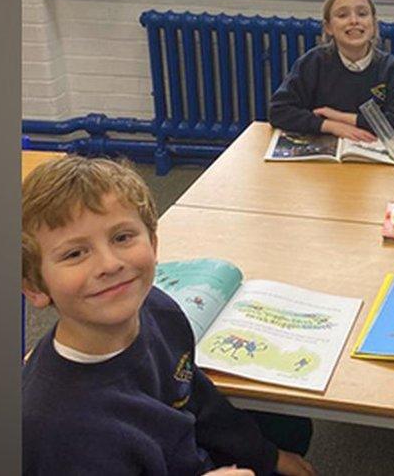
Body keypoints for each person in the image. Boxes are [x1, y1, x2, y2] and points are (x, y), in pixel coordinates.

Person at [22, 156, 316, 476]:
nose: (110, 264)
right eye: (75, 253)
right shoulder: (56, 427)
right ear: (35, 287)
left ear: (153, 243)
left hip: (183, 451)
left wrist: (265, 456)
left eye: (122, 237)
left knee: (291, 427)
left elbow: (195, 395)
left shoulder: (158, 310)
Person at [268, 0, 394, 142]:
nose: (354, 21)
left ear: (373, 23)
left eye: (362, 14)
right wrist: (330, 125)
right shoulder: (312, 63)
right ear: (328, 27)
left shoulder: (393, 69)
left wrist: (340, 117)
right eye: (342, 15)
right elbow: (278, 111)